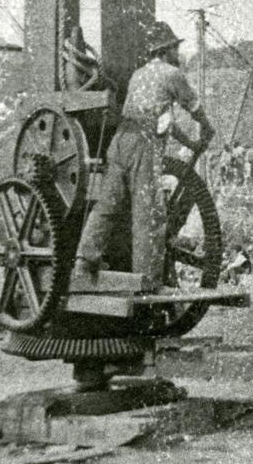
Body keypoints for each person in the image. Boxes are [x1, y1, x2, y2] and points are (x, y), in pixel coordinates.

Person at [73, 20, 215, 293]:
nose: (178, 53)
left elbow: (163, 122)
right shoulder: (172, 74)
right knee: (149, 212)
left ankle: (84, 261)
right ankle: (148, 282)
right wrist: (207, 129)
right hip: (144, 145)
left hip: (120, 142)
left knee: (107, 205)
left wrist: (190, 142)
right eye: (175, 48)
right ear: (166, 50)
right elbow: (193, 107)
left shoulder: (139, 75)